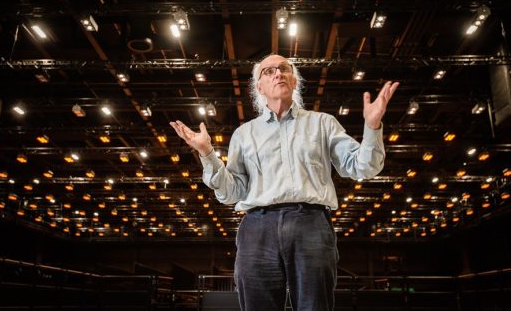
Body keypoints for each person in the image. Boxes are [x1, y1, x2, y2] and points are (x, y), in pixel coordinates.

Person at [170, 54, 399, 311]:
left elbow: (363, 167)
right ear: (259, 87)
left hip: (311, 224)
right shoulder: (244, 134)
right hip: (257, 227)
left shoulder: (322, 123)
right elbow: (232, 192)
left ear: (294, 80)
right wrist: (207, 154)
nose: (277, 73)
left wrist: (372, 125)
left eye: (284, 69)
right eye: (268, 71)